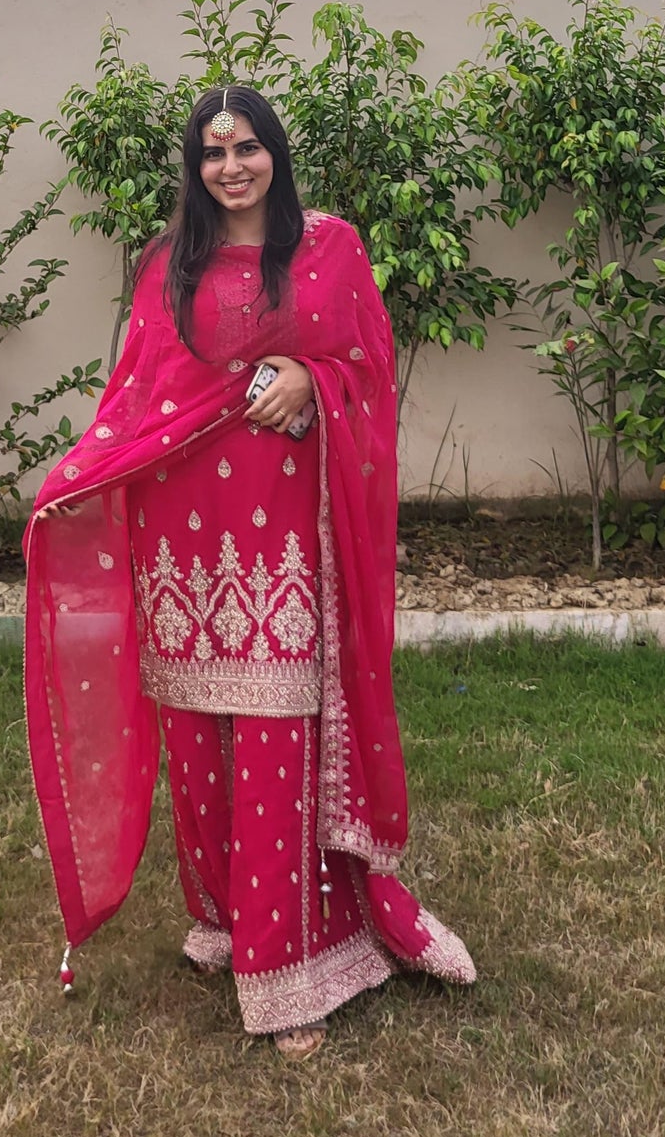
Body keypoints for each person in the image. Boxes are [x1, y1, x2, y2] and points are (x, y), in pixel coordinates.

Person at [24, 84, 474, 1059]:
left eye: (247, 147)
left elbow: (366, 365)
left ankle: (288, 975)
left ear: (275, 150)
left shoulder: (330, 247)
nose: (230, 166)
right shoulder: (165, 263)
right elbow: (137, 396)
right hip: (184, 547)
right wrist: (77, 479)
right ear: (196, 167)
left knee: (274, 744)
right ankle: (228, 916)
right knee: (199, 744)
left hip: (279, 546)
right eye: (212, 152)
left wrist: (316, 377)